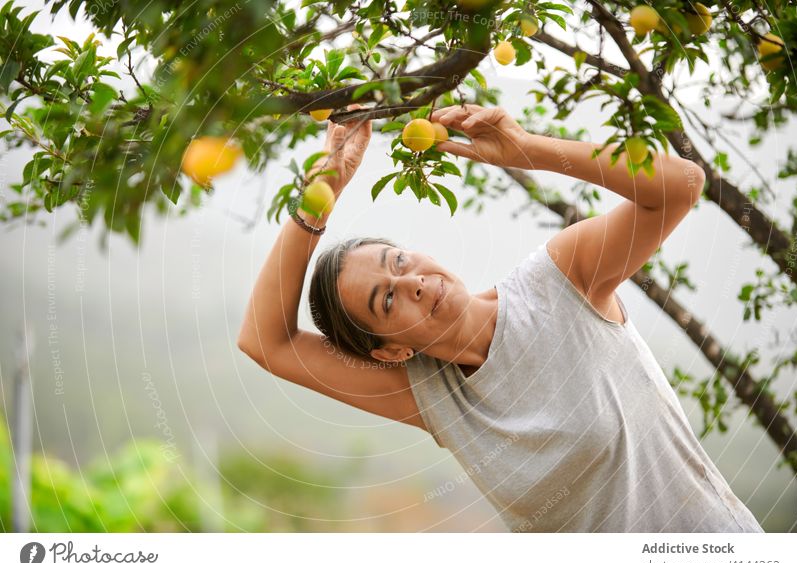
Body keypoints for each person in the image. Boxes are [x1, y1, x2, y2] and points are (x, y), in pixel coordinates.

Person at [237, 103, 764, 533]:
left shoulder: (559, 282)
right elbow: (266, 342)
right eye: (387, 301)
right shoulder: (432, 396)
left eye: (398, 261)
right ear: (391, 350)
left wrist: (529, 150)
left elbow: (681, 186)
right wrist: (318, 199)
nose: (412, 281)